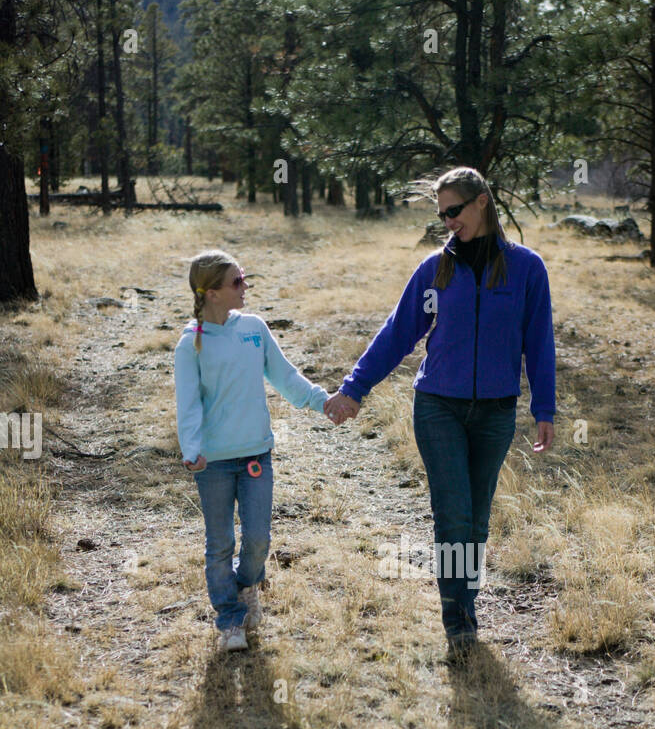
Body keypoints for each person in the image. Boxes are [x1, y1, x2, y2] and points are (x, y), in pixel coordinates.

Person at [326, 166, 556, 659]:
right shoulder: (435, 270)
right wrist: (354, 389)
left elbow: (539, 343)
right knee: (453, 516)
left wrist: (545, 407)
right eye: (441, 215)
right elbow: (397, 333)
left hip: (495, 413)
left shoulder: (526, 269)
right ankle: (459, 620)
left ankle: (463, 604)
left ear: (482, 203)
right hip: (438, 410)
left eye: (454, 211)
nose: (448, 222)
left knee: (475, 521)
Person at [173, 249, 338, 652]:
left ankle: (247, 586)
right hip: (212, 463)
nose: (245, 287)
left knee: (259, 540)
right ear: (211, 293)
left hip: (255, 456)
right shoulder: (189, 344)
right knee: (219, 544)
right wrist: (192, 449)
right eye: (236, 282)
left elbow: (286, 377)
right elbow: (188, 405)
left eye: (244, 278)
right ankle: (229, 619)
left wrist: (324, 401)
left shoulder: (255, 329)